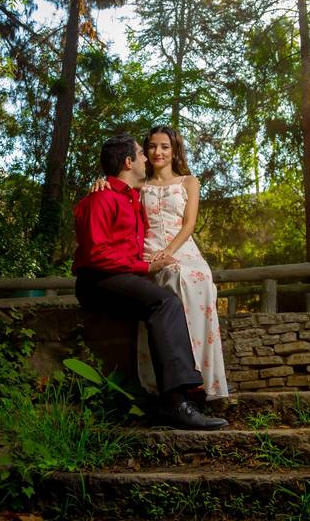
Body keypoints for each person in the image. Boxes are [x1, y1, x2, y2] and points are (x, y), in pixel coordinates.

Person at [72, 133, 227, 430]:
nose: (149, 156)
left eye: (159, 148)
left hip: (121, 273)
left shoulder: (129, 195)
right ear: (129, 161)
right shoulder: (101, 198)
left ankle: (181, 395)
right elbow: (96, 257)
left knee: (164, 299)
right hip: (98, 280)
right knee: (164, 301)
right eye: (143, 152)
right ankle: (174, 403)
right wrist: (145, 265)